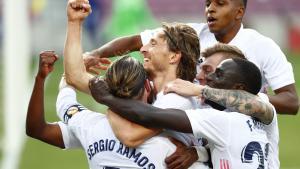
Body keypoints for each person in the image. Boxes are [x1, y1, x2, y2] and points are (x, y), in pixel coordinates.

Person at [63, 0, 209, 168]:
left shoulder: (179, 100)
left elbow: (129, 136)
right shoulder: (144, 88)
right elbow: (74, 76)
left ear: (173, 57)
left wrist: (107, 98)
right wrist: (74, 22)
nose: (142, 49)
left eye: (153, 44)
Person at [87, 0, 299, 115]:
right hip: (196, 138)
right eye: (208, 3)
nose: (210, 9)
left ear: (239, 11)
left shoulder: (262, 46)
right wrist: (95, 54)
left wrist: (239, 99)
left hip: (246, 146)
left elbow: (291, 102)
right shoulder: (191, 36)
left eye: (220, 3)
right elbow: (135, 40)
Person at [89, 58, 274, 169]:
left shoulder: (219, 121)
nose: (207, 78)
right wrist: (198, 153)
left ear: (238, 88)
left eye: (218, 74)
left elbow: (149, 116)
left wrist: (107, 98)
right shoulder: (263, 115)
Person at [26, 51, 181, 168]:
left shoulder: (90, 127)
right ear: (148, 86)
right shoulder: (174, 147)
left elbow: (37, 129)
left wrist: (45, 78)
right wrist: (197, 153)